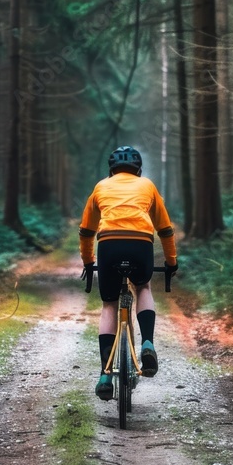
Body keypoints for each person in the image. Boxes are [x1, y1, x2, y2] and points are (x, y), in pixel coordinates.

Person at [79, 145, 178, 400]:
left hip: (109, 245)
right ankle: (147, 342)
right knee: (143, 286)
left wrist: (89, 261)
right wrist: (171, 261)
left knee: (109, 304)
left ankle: (104, 374)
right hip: (140, 244)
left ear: (111, 170)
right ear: (139, 168)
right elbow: (165, 229)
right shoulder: (147, 186)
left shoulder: (101, 187)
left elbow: (86, 231)